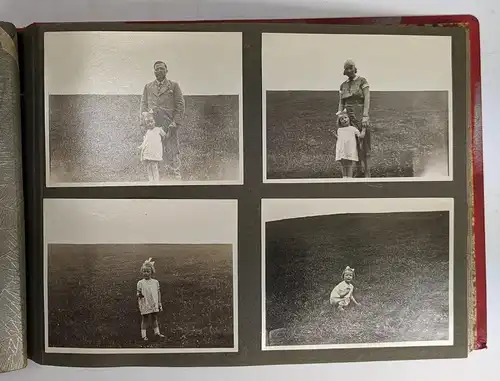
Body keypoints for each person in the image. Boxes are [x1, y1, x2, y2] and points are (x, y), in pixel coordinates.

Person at [140, 61, 185, 180]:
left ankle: (175, 180)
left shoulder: (174, 86)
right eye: (156, 69)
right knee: (154, 154)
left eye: (161, 69)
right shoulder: (148, 86)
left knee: (172, 152)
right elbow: (143, 105)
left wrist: (175, 123)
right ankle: (157, 181)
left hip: (169, 124)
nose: (159, 71)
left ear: (166, 70)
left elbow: (180, 106)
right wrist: (144, 123)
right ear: (153, 71)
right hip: (153, 126)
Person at [338, 59, 371, 177]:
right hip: (348, 118)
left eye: (351, 67)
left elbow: (367, 98)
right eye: (347, 68)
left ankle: (367, 173)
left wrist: (365, 116)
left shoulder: (362, 81)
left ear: (354, 69)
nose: (349, 70)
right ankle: (358, 171)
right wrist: (340, 117)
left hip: (360, 113)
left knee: (364, 143)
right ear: (344, 71)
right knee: (352, 145)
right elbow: (341, 103)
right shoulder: (343, 85)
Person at [137, 258, 165, 341]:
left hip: (153, 303)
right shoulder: (140, 283)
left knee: (154, 318)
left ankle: (157, 333)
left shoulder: (155, 282)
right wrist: (139, 295)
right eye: (144, 271)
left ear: (151, 272)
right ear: (142, 272)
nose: (146, 273)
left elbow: (158, 292)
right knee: (145, 318)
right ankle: (143, 335)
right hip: (145, 303)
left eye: (147, 271)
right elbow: (138, 292)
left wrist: (159, 302)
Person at [334, 109, 365, 178]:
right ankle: (344, 177)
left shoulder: (352, 129)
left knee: (349, 164)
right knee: (343, 164)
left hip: (350, 149)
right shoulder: (339, 130)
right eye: (342, 119)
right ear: (340, 122)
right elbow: (340, 139)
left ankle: (350, 178)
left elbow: (360, 136)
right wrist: (335, 136)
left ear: (349, 118)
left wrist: (364, 130)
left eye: (345, 118)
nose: (344, 120)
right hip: (342, 149)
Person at [138, 109, 166, 183]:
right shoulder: (148, 132)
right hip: (148, 152)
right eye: (148, 122)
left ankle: (156, 180)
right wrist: (141, 146)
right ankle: (151, 180)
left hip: (155, 151)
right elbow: (145, 141)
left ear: (155, 121)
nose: (150, 124)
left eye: (151, 121)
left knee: (154, 165)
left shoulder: (158, 130)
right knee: (149, 166)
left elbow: (165, 136)